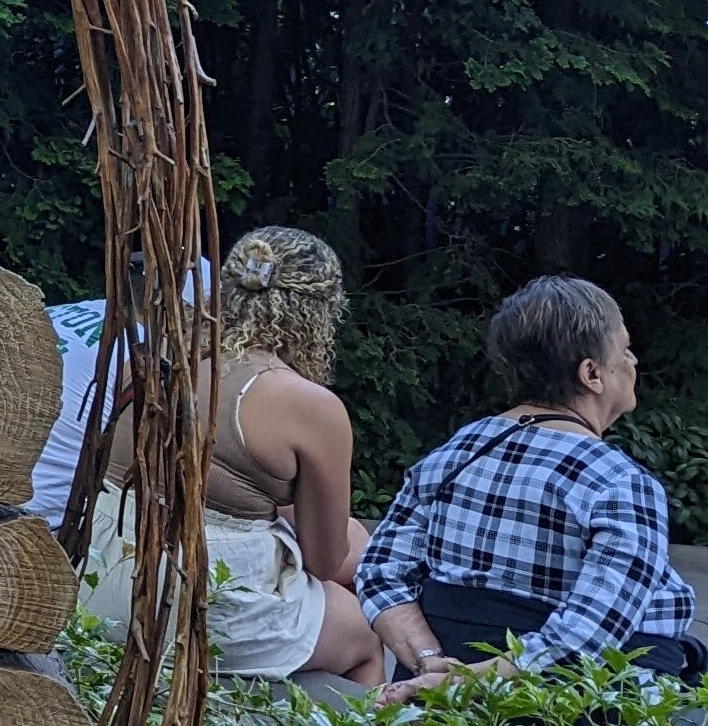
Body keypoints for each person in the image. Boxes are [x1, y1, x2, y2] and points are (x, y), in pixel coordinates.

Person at [361, 275, 701, 689]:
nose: (632, 362)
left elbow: (379, 570)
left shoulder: (452, 454)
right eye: (624, 349)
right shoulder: (619, 482)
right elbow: (589, 636)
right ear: (591, 373)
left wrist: (430, 664)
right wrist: (462, 683)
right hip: (576, 707)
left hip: (438, 699)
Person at [85, 226, 380, 688]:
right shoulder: (309, 405)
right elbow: (325, 562)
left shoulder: (156, 357)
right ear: (320, 314)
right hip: (190, 592)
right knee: (365, 634)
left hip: (100, 570)